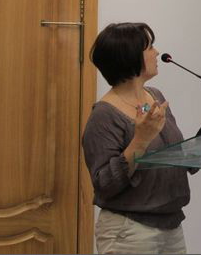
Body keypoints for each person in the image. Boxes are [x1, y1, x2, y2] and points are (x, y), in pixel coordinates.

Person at [83, 22, 194, 254]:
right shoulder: (103, 115)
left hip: (171, 224)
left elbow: (172, 151)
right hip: (129, 230)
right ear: (129, 56)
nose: (157, 52)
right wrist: (140, 140)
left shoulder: (155, 96)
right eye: (150, 47)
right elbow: (104, 185)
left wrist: (198, 151)